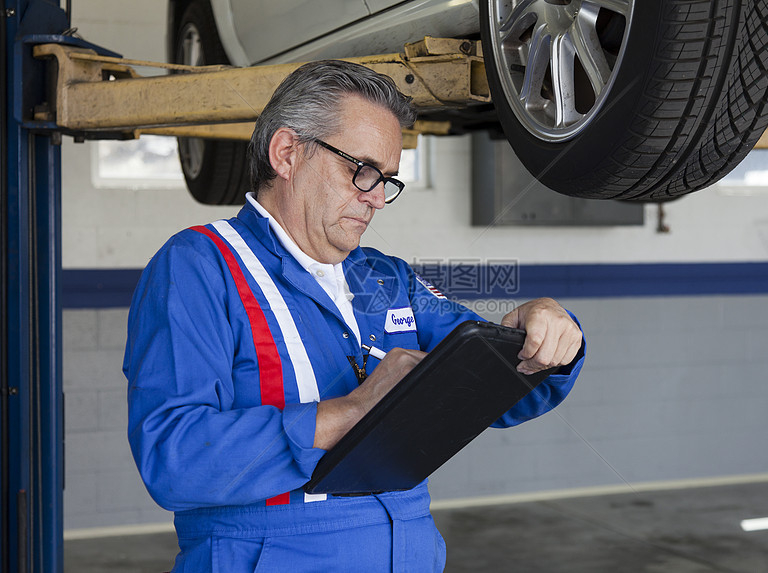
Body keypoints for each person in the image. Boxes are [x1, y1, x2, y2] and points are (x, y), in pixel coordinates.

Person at [123, 59, 585, 572]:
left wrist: (543, 333)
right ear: (287, 153)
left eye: (387, 179)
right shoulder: (200, 267)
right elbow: (174, 460)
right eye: (361, 169)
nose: (377, 198)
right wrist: (351, 411)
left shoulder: (387, 279)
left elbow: (497, 383)